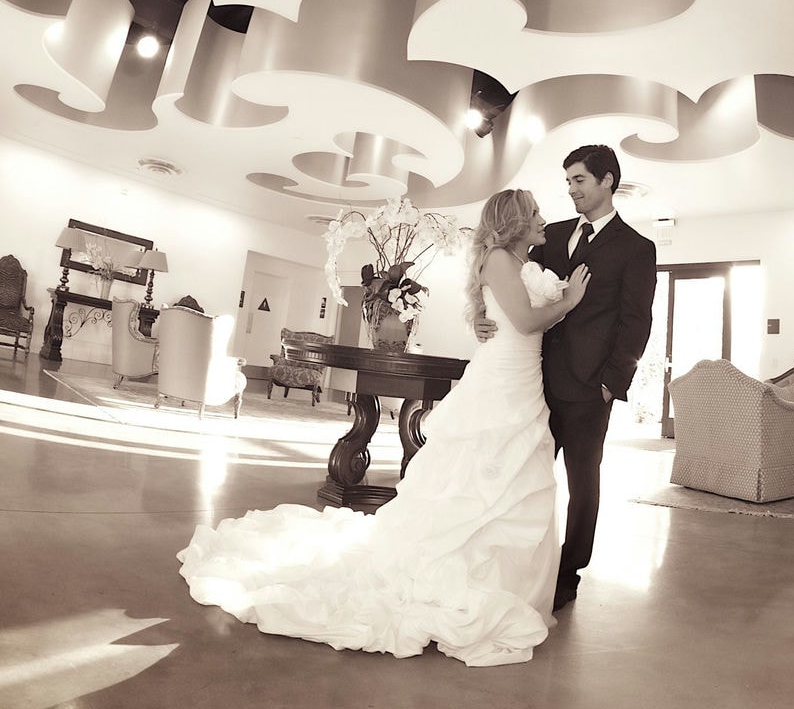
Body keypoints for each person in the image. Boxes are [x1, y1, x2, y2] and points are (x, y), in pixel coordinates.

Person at [177, 189, 589, 667]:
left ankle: (504, 583)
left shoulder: (513, 261)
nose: (543, 219)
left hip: (522, 379)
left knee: (509, 478)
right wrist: (571, 300)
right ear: (515, 222)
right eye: (535, 213)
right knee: (480, 475)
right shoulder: (499, 257)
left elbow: (503, 313)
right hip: (505, 378)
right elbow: (523, 318)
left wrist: (488, 315)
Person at [476, 144, 657, 611]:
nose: (572, 190)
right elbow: (510, 286)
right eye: (568, 182)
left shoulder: (637, 248)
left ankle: (568, 572)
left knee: (582, 484)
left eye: (579, 180)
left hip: (588, 387)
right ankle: (512, 561)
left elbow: (636, 323)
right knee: (523, 477)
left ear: (607, 182)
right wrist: (480, 314)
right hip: (532, 382)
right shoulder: (549, 235)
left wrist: (610, 383)